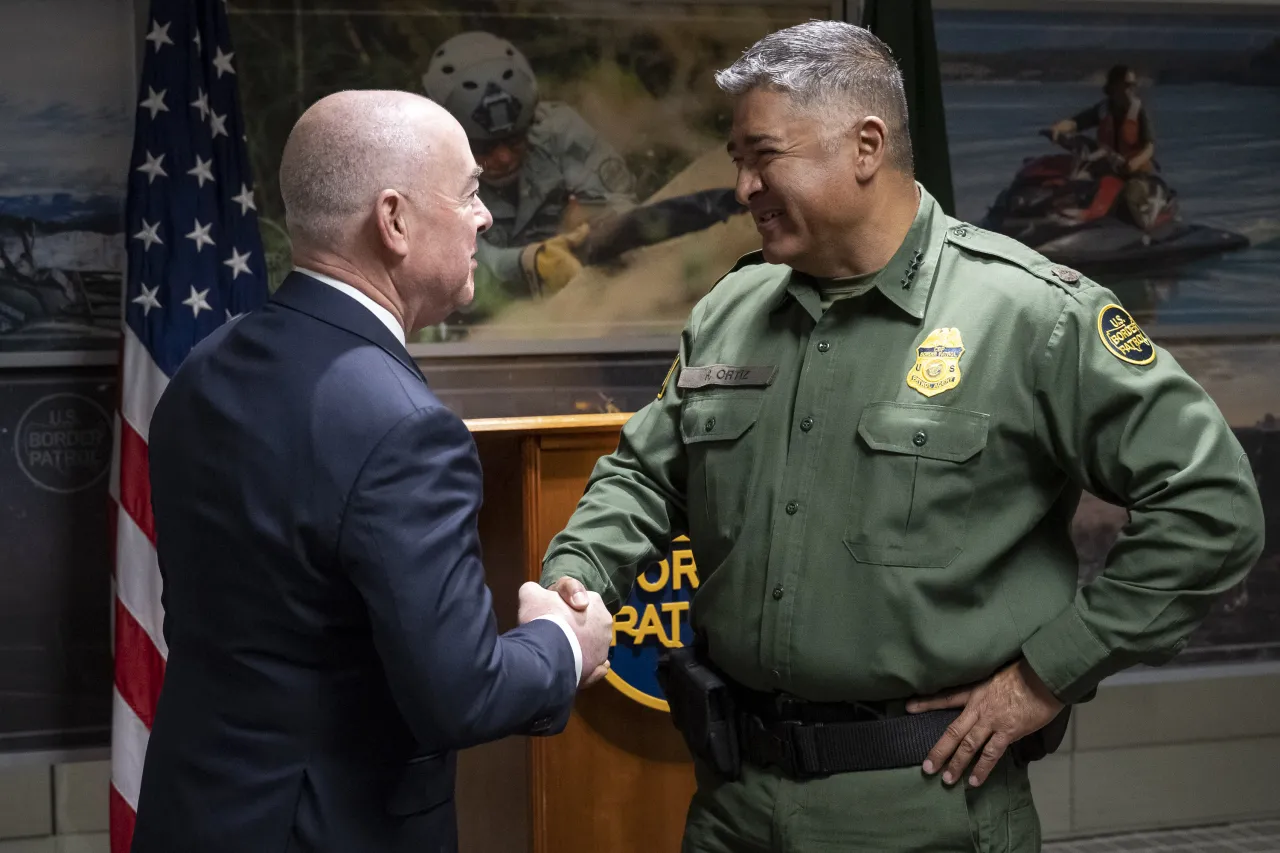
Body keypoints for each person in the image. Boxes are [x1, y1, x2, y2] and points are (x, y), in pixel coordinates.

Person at [539, 22, 1264, 852]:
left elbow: (1212, 507)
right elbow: (643, 475)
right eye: (735, 156)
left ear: (866, 145)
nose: (741, 186)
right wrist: (575, 576)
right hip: (732, 803)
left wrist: (1047, 673)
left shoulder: (1031, 316)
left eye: (762, 155)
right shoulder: (732, 310)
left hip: (925, 808)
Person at [131, 90, 613, 853]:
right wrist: (565, 643)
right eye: (469, 194)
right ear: (393, 220)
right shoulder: (408, 430)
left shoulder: (204, 367)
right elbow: (462, 692)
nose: (485, 217)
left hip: (193, 813)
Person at [422, 31, 637, 312]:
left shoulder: (561, 134)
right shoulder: (426, 171)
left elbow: (624, 210)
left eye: (515, 139)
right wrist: (526, 263)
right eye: (484, 147)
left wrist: (597, 225)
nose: (504, 157)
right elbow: (447, 273)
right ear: (449, 136)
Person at [1050, 64, 1159, 229]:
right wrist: (1057, 128)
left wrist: (1134, 163)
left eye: (1133, 85)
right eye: (1128, 85)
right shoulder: (1102, 110)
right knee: (1074, 188)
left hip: (1135, 175)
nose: (1132, 89)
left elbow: (1149, 147)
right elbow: (1076, 122)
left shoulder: (1139, 111)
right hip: (1108, 170)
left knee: (1128, 197)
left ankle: (1145, 234)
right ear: (1114, 86)